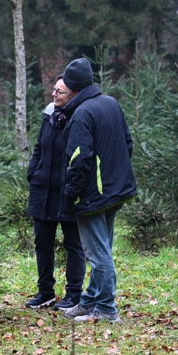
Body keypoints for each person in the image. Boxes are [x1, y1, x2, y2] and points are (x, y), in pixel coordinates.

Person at [58, 58, 138, 323]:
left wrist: (70, 194)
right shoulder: (111, 103)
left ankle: (105, 309)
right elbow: (127, 143)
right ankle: (90, 301)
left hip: (93, 195)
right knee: (102, 247)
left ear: (71, 87)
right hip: (116, 190)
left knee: (98, 253)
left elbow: (78, 159)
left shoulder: (81, 113)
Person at [25, 77, 87, 310]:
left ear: (72, 94)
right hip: (42, 190)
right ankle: (45, 292)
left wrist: (73, 186)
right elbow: (39, 147)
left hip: (68, 192)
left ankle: (74, 294)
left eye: (59, 92)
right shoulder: (49, 115)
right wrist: (33, 172)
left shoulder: (80, 117)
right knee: (42, 241)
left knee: (73, 244)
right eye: (54, 90)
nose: (54, 94)